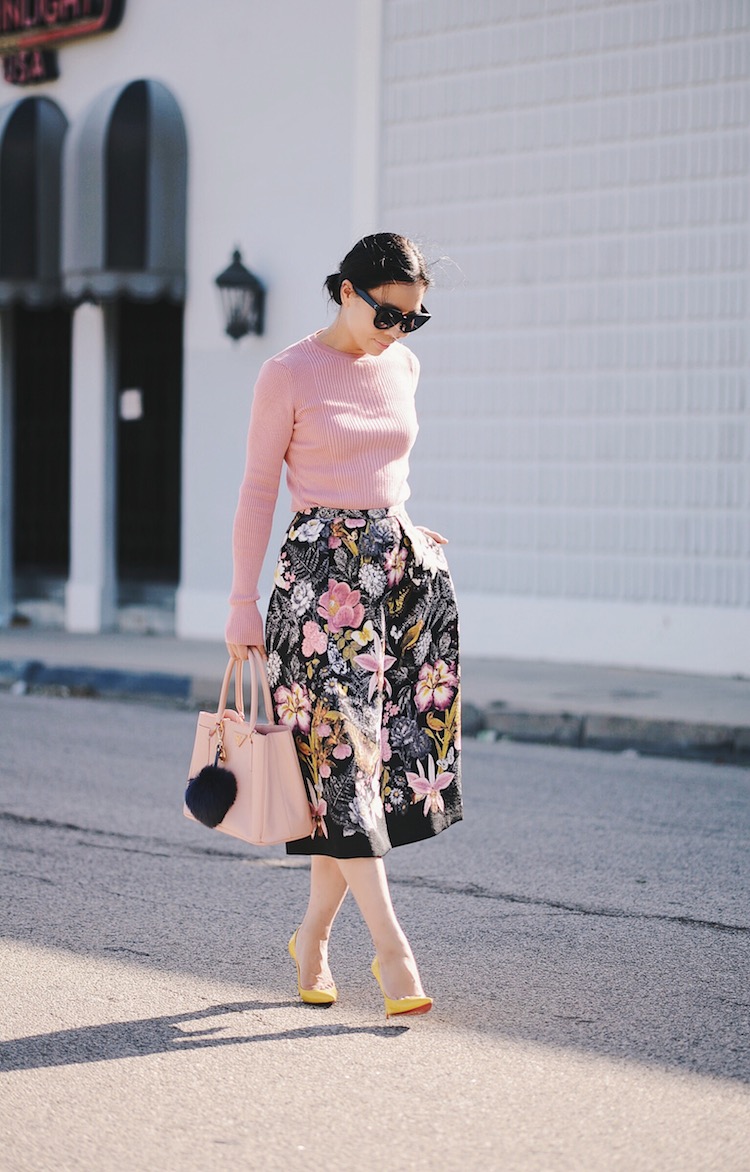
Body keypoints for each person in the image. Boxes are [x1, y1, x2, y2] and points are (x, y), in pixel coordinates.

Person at [226, 232, 462, 1018]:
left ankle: (312, 941)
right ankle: (395, 957)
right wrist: (240, 603)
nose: (398, 331)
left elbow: (387, 469)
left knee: (359, 775)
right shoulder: (286, 373)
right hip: (319, 592)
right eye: (389, 313)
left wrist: (405, 527)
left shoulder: (403, 364)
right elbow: (259, 491)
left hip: (397, 578)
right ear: (348, 291)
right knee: (345, 765)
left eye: (414, 319)